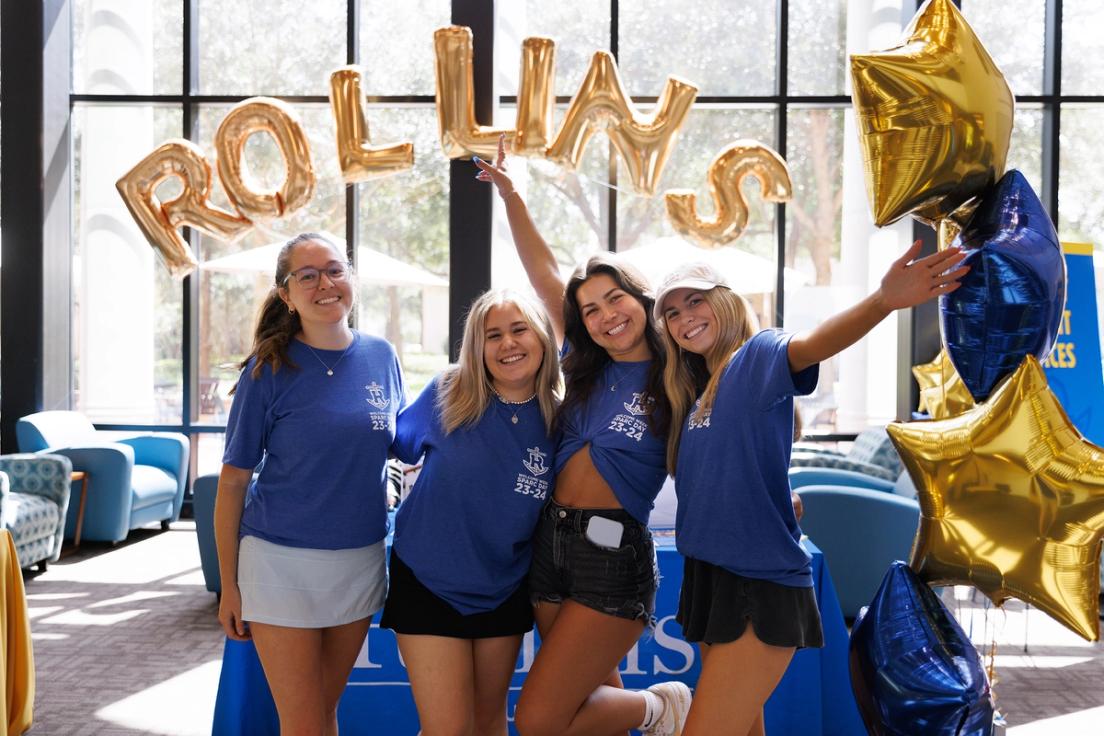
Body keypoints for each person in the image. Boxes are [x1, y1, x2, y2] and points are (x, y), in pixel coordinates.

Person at [654, 249, 968, 736]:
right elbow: (738, 467)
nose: (684, 319)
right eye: (672, 313)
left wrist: (883, 300)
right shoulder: (697, 391)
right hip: (709, 578)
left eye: (695, 301)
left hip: (756, 582)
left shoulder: (755, 354)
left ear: (725, 301)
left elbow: (815, 343)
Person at [476, 138, 691, 736]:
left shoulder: (681, 375)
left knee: (540, 720)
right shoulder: (582, 361)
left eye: (614, 297)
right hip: (548, 545)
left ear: (640, 299)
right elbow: (542, 272)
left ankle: (663, 706)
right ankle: (646, 712)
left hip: (612, 554)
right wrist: (512, 195)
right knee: (582, 713)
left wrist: (778, 488)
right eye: (590, 308)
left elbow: (738, 432)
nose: (604, 315)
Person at [214, 232, 404, 736]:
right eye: (308, 275)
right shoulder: (268, 369)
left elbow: (400, 449)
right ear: (287, 293)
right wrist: (229, 586)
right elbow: (231, 484)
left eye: (335, 270)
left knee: (323, 712)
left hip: (359, 558)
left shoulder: (382, 356)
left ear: (351, 279)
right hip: (279, 561)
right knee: (301, 722)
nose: (325, 283)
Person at [380, 289, 561, 735]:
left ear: (541, 337)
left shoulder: (562, 419)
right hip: (428, 579)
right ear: (475, 348)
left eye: (519, 330)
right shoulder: (449, 391)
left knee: (489, 724)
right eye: (492, 335)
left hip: (504, 585)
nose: (507, 344)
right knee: (447, 729)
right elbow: (389, 445)